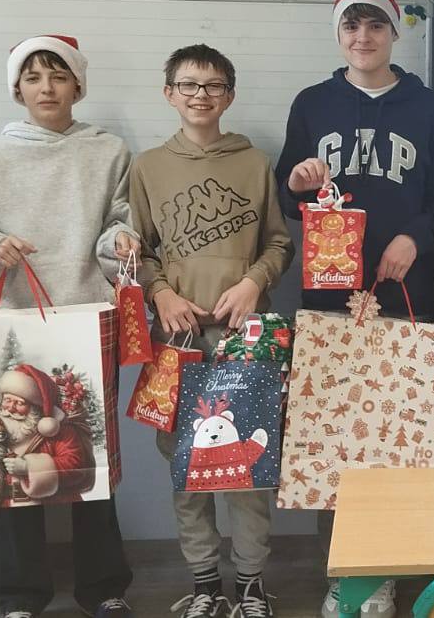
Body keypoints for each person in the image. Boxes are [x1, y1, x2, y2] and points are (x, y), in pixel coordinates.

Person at [273, 0, 434, 618]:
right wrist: (298, 180)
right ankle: (349, 573)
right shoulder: (312, 103)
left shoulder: (430, 108)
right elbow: (288, 196)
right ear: (338, 35)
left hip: (409, 291)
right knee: (335, 441)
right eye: (351, 26)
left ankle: (401, 565)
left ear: (394, 33)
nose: (363, 37)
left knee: (406, 436)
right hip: (330, 296)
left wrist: (415, 237)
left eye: (375, 25)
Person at [0, 34, 140, 618]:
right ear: (17, 88)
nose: (46, 88)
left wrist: (121, 241)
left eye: (59, 76)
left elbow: (119, 221)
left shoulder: (109, 151)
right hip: (14, 322)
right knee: (15, 451)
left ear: (78, 85)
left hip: (88, 317)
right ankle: (18, 594)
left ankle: (104, 588)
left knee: (88, 455)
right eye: (33, 77)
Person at [129, 44, 293, 618]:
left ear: (230, 95)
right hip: (177, 342)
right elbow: (138, 250)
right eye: (189, 85)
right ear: (169, 93)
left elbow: (279, 242)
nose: (201, 95)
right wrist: (161, 292)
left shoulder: (254, 163)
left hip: (246, 341)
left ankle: (250, 583)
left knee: (248, 467)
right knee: (185, 467)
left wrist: (253, 282)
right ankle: (204, 582)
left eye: (214, 85)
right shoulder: (147, 166)